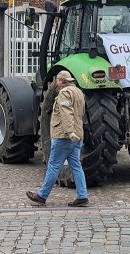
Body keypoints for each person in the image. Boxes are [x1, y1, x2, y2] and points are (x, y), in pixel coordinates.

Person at [27, 70, 89, 207]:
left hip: (64, 136)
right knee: (76, 166)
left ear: (60, 81)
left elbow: (66, 113)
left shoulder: (64, 93)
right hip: (78, 136)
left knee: (54, 165)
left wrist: (69, 132)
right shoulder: (79, 92)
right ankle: (82, 195)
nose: (56, 83)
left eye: (57, 80)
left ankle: (42, 196)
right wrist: (75, 133)